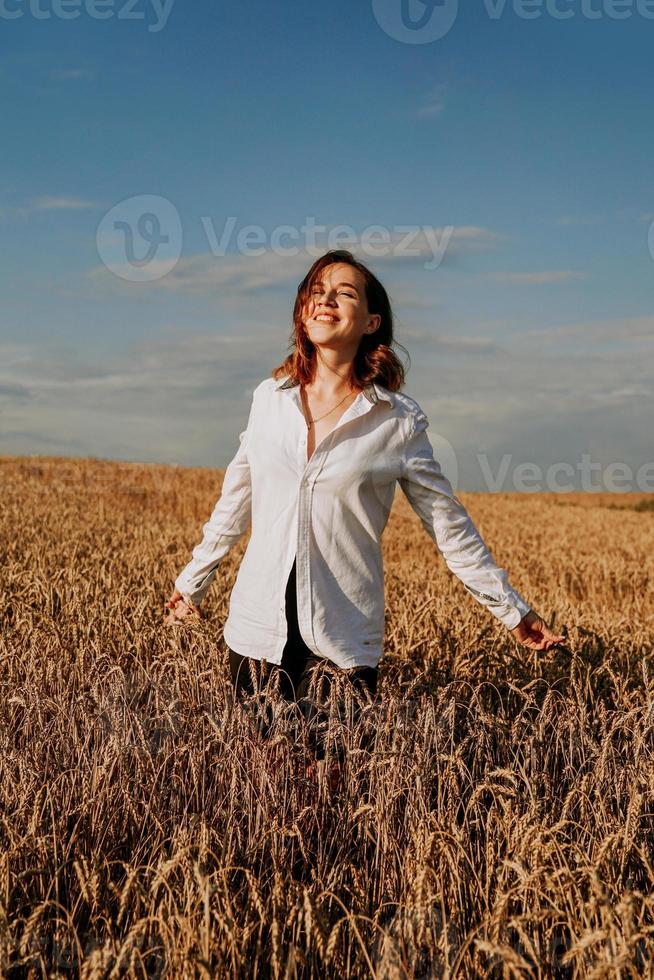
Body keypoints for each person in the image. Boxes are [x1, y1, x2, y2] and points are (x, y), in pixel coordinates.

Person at [164, 248, 565, 779]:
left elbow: (449, 526)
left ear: (371, 322)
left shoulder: (396, 422)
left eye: (345, 292)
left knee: (327, 789)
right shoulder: (269, 399)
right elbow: (236, 497)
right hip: (256, 630)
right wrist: (192, 582)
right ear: (303, 311)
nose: (326, 298)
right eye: (317, 290)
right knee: (256, 788)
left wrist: (511, 610)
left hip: (342, 635)